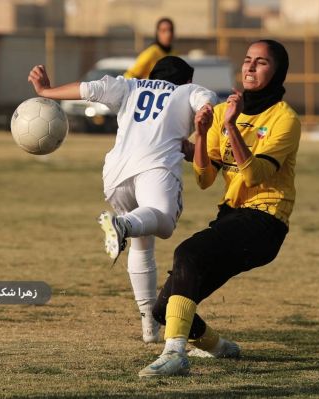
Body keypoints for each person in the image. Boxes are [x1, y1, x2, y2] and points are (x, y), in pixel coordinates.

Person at [138, 39, 301, 377]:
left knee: (188, 252)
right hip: (232, 216)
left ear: (277, 71)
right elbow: (204, 178)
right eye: (247, 60)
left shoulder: (284, 118)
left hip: (265, 221)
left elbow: (255, 175)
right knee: (163, 308)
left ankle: (174, 354)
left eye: (261, 62)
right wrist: (200, 133)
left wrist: (230, 126)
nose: (251, 67)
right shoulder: (225, 110)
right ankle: (219, 348)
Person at [27, 56, 217, 344]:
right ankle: (123, 224)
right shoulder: (188, 91)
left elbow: (89, 89)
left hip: (116, 175)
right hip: (154, 170)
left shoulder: (131, 86)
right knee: (163, 223)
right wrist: (205, 111)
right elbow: (206, 100)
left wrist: (46, 91)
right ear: (187, 80)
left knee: (142, 244)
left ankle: (148, 327)